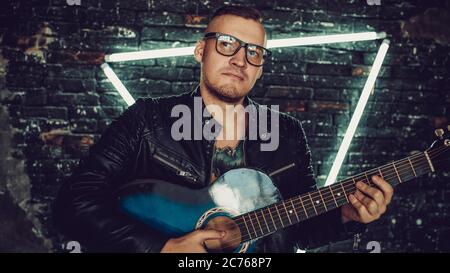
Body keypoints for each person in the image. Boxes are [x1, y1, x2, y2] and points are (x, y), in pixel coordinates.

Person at [53, 5, 393, 253]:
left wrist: (347, 215)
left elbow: (298, 230)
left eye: (254, 52)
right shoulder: (147, 121)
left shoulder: (286, 133)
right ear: (201, 50)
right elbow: (73, 204)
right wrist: (163, 247)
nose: (240, 59)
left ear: (260, 69)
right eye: (227, 44)